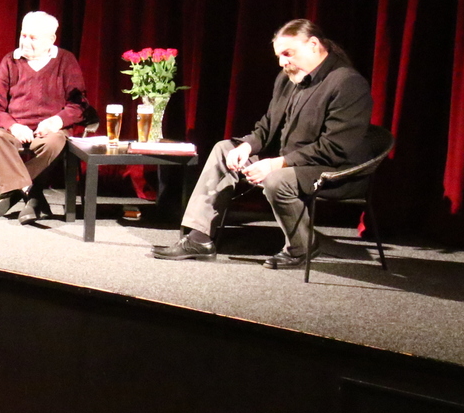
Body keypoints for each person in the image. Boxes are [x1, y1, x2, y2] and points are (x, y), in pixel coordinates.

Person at [153, 19, 373, 267]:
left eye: (288, 53)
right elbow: (268, 125)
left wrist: (277, 164)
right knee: (224, 150)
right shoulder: (287, 78)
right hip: (289, 159)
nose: (282, 62)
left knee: (277, 179)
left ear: (313, 45)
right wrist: (247, 146)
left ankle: (301, 247)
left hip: (334, 169)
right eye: (279, 56)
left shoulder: (346, 82)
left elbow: (335, 148)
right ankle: (199, 239)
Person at [0, 11, 86, 224]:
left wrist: (55, 121)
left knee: (56, 142)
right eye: (23, 35)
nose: (25, 42)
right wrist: (13, 126)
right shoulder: (10, 61)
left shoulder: (65, 60)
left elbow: (79, 104)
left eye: (33, 38)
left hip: (49, 130)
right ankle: (33, 193)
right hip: (16, 129)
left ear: (51, 39)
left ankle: (14, 191)